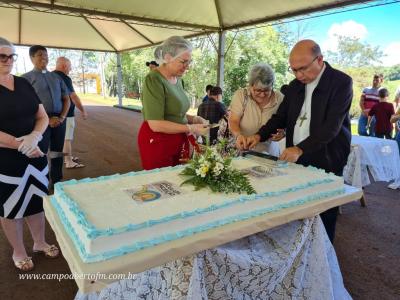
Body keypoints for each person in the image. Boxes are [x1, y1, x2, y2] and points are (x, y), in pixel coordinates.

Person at [243, 40, 353, 242]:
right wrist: (259, 136)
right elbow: (280, 117)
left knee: (324, 211)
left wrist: (300, 149)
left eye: (302, 69)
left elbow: (331, 127)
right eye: (294, 70)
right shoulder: (295, 86)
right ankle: (301, 254)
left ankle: (324, 255)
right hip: (297, 157)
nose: (298, 75)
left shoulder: (341, 82)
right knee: (298, 208)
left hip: (327, 157)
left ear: (319, 59)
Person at [0, 37, 59, 272]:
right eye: (2, 56)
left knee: (36, 203)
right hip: (6, 160)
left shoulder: (23, 83)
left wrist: (34, 137)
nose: (8, 60)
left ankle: (39, 242)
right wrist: (20, 144)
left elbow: (42, 116)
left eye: (12, 55)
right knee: (11, 208)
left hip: (35, 155)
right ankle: (19, 251)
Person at [138, 36, 209, 170]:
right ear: (168, 57)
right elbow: (155, 124)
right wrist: (191, 128)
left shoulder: (178, 79)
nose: (186, 67)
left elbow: (174, 112)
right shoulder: (153, 79)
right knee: (160, 182)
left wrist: (193, 119)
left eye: (189, 62)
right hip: (158, 141)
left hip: (177, 139)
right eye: (183, 62)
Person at [22, 45, 70, 186]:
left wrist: (61, 118)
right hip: (38, 120)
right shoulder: (26, 79)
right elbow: (25, 104)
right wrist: (46, 119)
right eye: (39, 55)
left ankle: (57, 180)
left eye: (46, 54)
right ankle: (41, 179)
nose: (44, 57)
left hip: (59, 120)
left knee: (57, 150)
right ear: (32, 58)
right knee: (40, 151)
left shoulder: (57, 77)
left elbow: (66, 99)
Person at [230, 63, 285, 156]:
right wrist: (238, 136)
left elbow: (285, 122)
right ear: (250, 85)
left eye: (267, 90)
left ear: (272, 85)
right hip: (244, 150)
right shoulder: (241, 96)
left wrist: (283, 133)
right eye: (258, 90)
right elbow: (233, 121)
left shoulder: (280, 98)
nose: (262, 94)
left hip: (269, 153)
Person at [54, 56, 88, 169]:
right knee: (67, 138)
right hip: (66, 113)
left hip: (55, 113)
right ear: (64, 66)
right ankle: (68, 161)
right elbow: (73, 96)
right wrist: (83, 110)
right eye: (70, 67)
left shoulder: (50, 76)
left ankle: (67, 157)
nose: (70, 70)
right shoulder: (65, 78)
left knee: (63, 138)